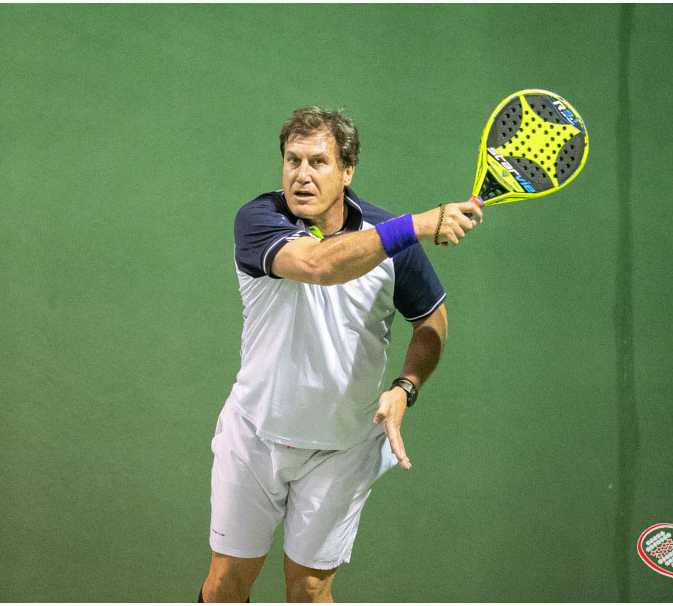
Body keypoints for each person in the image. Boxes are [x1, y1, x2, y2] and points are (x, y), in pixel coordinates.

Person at [199, 106, 482, 603]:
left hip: (341, 449)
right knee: (226, 582)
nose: (301, 175)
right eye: (292, 160)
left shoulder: (390, 237)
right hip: (254, 438)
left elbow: (431, 321)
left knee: (311, 588)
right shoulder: (260, 220)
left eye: (318, 162)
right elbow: (318, 265)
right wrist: (416, 224)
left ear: (347, 171)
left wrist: (406, 387)